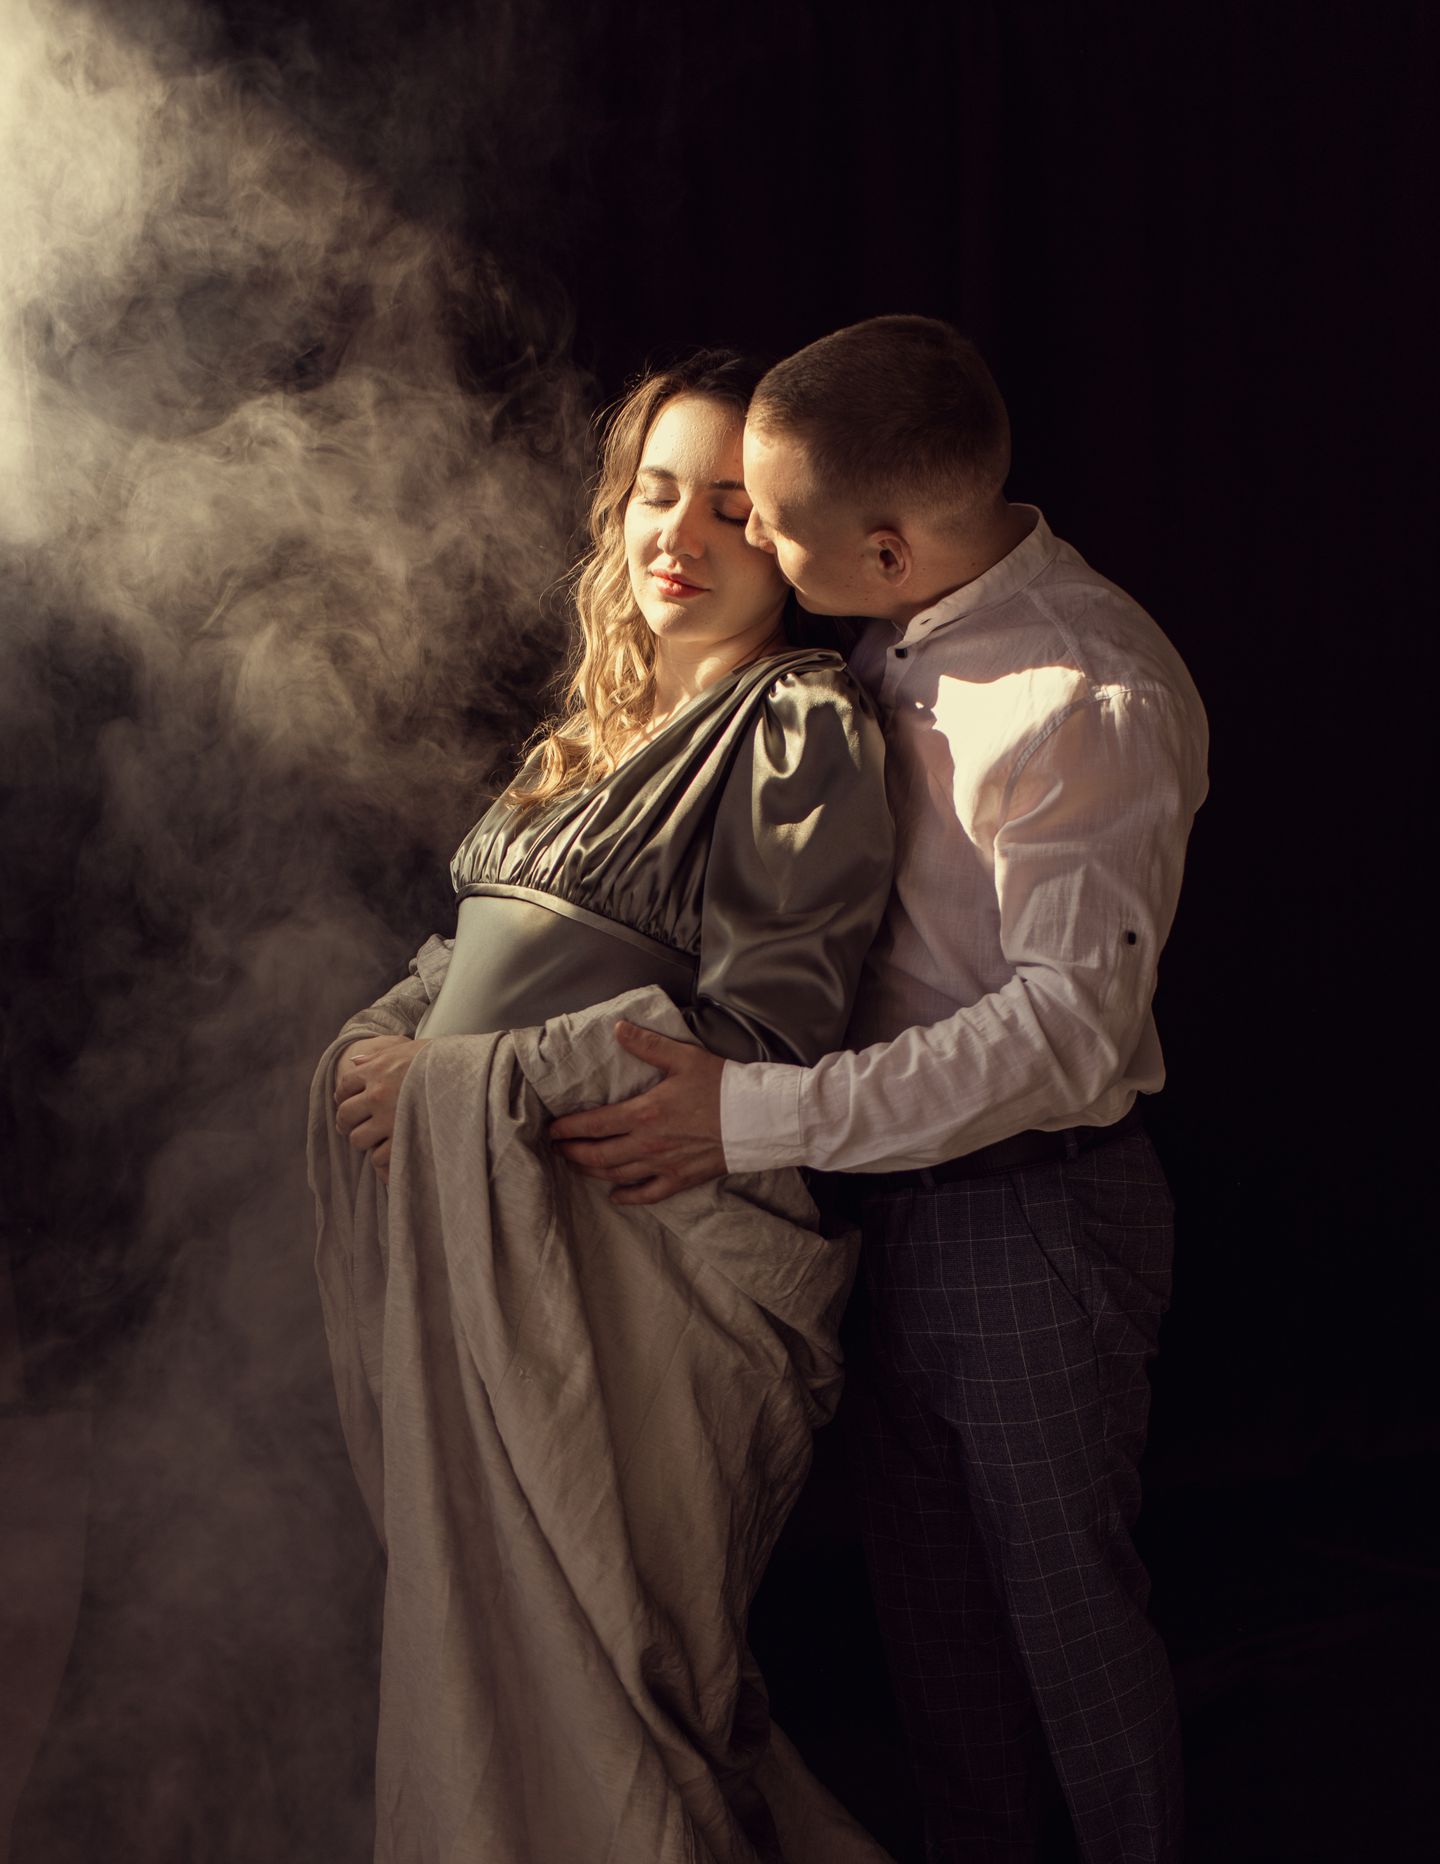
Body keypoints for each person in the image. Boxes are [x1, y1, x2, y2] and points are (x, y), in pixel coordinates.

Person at [551, 316, 1210, 1864]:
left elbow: (1067, 1036)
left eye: (769, 524)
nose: (751, 549)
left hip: (1030, 1216)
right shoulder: (885, 632)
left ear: (891, 549)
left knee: (1064, 1627)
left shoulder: (1083, 694)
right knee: (933, 1630)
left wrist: (747, 1115)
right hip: (886, 1206)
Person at [306, 350, 899, 1864]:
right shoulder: (589, 735)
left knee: (620, 1693)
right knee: (494, 1677)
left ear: (790, 542)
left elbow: (763, 1036)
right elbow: (466, 958)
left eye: (732, 510)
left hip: (644, 1272)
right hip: (501, 1260)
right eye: (655, 493)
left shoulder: (798, 721)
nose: (678, 535)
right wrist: (383, 1042)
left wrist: (453, 1084)